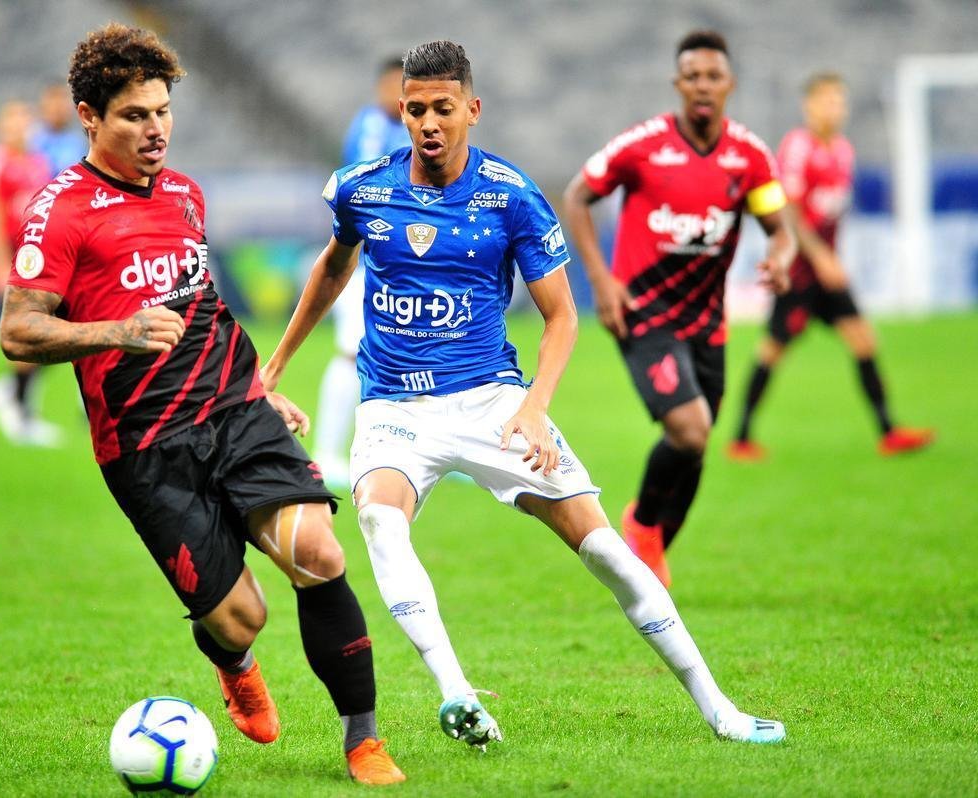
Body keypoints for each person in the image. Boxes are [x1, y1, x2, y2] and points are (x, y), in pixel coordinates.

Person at [263, 39, 785, 749]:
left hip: (493, 405)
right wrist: (274, 368)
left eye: (442, 109)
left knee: (604, 551)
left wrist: (534, 408)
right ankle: (457, 695)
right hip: (393, 409)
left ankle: (719, 708)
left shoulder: (509, 195)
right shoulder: (363, 187)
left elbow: (563, 316)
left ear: (472, 109)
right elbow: (332, 266)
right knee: (381, 523)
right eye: (415, 110)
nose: (427, 124)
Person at [0, 24, 404, 785]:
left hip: (233, 412)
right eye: (133, 116)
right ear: (89, 117)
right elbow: (17, 330)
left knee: (318, 553)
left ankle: (364, 742)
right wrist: (116, 330)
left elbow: (204, 305)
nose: (155, 130)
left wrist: (261, 392)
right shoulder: (62, 211)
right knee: (241, 617)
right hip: (148, 448)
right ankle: (236, 663)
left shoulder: (185, 195)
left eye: (161, 112)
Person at [563, 30, 795, 588]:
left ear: (728, 84)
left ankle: (651, 548)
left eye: (712, 76)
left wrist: (781, 257)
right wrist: (601, 280)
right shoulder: (643, 145)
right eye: (692, 76)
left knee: (698, 440)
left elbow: (778, 229)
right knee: (690, 429)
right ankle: (642, 527)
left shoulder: (749, 157)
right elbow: (577, 197)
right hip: (642, 311)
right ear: (678, 83)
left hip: (705, 321)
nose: (702, 86)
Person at [727, 72, 934, 459]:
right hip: (800, 273)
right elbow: (787, 209)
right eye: (828, 101)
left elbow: (831, 212)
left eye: (840, 101)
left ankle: (889, 431)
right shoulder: (798, 147)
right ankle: (740, 439)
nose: (835, 109)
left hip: (828, 272)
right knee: (772, 350)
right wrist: (821, 256)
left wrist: (831, 258)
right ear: (810, 106)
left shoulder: (842, 150)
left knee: (864, 340)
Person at [315, 57, 411, 489]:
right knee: (351, 353)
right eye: (394, 87)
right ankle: (326, 453)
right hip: (366, 262)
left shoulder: (402, 126)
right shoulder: (373, 127)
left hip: (396, 264)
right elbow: (370, 193)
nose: (400, 97)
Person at [0, 99, 61, 447]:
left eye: (24, 121)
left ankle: (8, 393)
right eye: (12, 122)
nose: (19, 128)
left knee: (60, 334)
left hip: (37, 265)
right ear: (1, 128)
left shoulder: (39, 163)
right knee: (30, 339)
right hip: (14, 266)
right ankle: (21, 414)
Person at [31, 81, 89, 177]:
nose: (58, 106)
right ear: (42, 104)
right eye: (53, 99)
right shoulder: (32, 140)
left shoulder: (78, 142)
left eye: (63, 99)